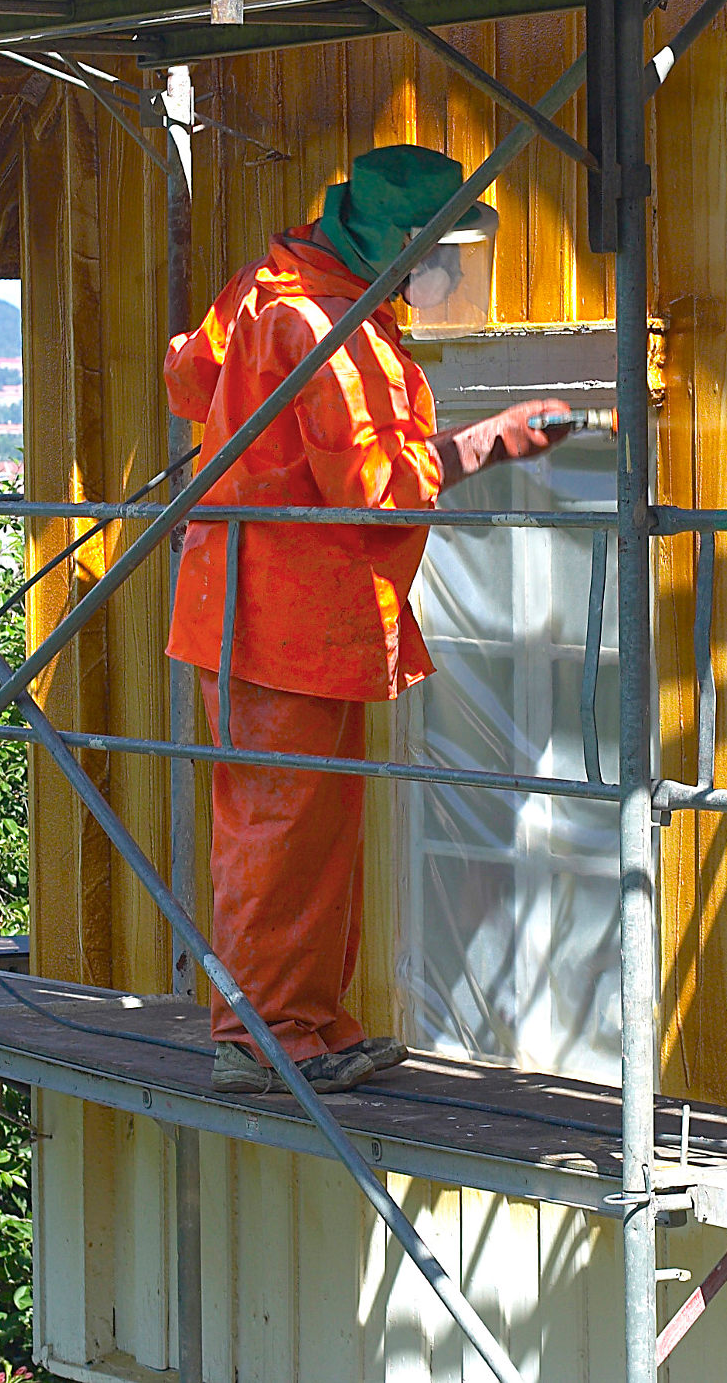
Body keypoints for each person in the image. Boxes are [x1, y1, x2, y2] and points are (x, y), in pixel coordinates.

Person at [163, 144, 575, 1095]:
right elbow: (377, 492)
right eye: (446, 257)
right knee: (285, 829)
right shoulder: (326, 327)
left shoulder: (279, 285)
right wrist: (494, 441)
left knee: (301, 827)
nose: (453, 278)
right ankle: (267, 1036)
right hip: (285, 616)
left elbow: (193, 378)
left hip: (266, 608)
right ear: (402, 246)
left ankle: (301, 1024)